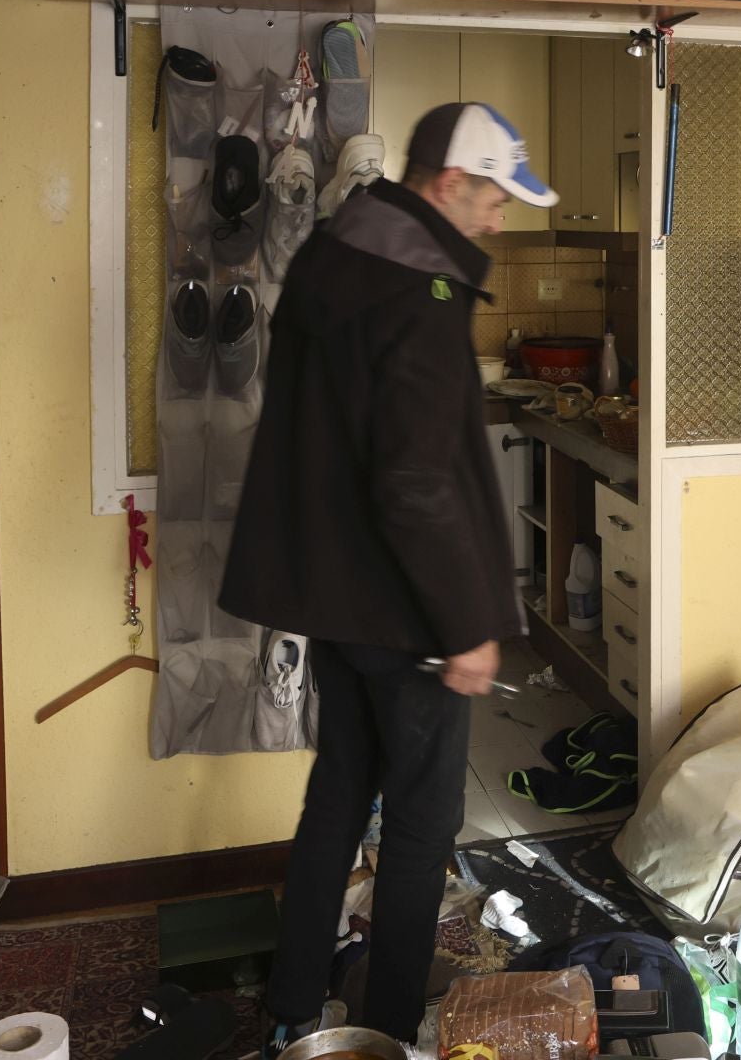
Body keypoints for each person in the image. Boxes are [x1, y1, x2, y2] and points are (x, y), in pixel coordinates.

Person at [219, 102, 558, 1051]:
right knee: (419, 826)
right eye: (494, 198)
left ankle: (293, 1010)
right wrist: (463, 624)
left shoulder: (335, 256)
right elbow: (415, 482)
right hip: (407, 611)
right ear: (450, 183)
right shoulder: (424, 289)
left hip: (333, 599)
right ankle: (391, 1033)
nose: (498, 219)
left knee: (338, 791)